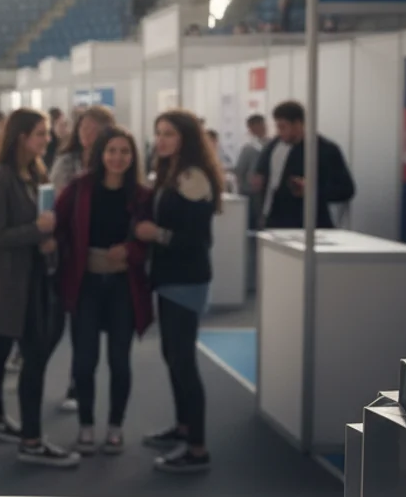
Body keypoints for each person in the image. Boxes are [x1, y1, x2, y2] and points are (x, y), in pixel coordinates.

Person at [0, 109, 77, 468]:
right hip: (8, 280)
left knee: (1, 350)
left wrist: (46, 235)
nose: (46, 139)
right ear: (21, 137)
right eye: (40, 134)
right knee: (28, 356)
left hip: (26, 277)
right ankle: (30, 439)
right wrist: (38, 231)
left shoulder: (35, 172)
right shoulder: (0, 177)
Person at [54, 126, 154, 455]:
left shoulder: (141, 195)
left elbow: (147, 242)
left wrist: (131, 250)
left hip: (124, 286)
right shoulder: (80, 188)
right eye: (111, 150)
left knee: (119, 361)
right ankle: (85, 424)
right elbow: (60, 224)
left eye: (124, 151)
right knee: (84, 360)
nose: (117, 157)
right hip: (87, 285)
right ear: (100, 154)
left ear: (132, 156)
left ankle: (115, 425)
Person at [136, 110, 222, 473]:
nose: (162, 139)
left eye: (169, 133)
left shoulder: (194, 178)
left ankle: (197, 448)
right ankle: (184, 428)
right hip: (170, 277)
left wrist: (156, 235)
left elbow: (198, 239)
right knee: (173, 356)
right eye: (159, 133)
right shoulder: (172, 172)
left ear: (185, 137)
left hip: (186, 279)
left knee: (183, 361)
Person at [251, 101, 355, 229]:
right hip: (274, 222)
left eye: (283, 127)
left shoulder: (325, 150)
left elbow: (346, 189)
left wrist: (311, 190)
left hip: (309, 224)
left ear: (298, 124)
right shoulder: (273, 146)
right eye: (277, 126)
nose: (279, 131)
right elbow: (262, 175)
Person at [50, 106, 115, 193]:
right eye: (84, 127)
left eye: (94, 129)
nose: (87, 133)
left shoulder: (113, 160)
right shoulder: (66, 162)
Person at [233, 114, 268, 230]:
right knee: (251, 223)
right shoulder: (248, 148)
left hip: (266, 190)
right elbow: (240, 171)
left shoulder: (272, 144)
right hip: (250, 192)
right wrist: (242, 189)